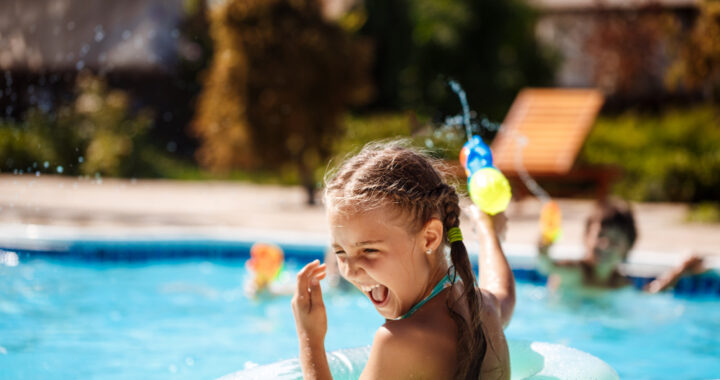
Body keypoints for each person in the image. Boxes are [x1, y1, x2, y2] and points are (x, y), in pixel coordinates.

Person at [291, 141, 515, 380]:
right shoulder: (481, 307)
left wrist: (310, 339)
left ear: (430, 238)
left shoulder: (398, 341)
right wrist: (487, 229)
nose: (351, 271)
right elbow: (502, 293)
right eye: (340, 253)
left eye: (369, 250)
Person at [537, 197, 706, 293]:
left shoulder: (619, 283)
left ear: (627, 249)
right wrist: (544, 247)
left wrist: (679, 270)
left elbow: (648, 294)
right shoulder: (575, 271)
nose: (605, 245)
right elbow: (546, 266)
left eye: (615, 241)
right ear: (586, 237)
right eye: (600, 236)